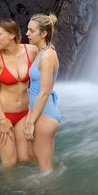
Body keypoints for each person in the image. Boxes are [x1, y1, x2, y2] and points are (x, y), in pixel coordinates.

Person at [0, 18, 39, 166]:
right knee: (9, 162)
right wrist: (3, 120)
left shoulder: (31, 51)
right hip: (2, 115)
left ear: (11, 35)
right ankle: (3, 188)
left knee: (25, 159)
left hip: (24, 113)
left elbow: (43, 75)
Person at [23, 13, 62, 172]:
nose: (27, 34)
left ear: (43, 33)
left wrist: (31, 122)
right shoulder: (42, 52)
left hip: (46, 114)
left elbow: (44, 92)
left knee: (44, 166)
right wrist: (30, 115)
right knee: (32, 156)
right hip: (39, 112)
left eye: (31, 31)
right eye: (27, 30)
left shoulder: (48, 55)